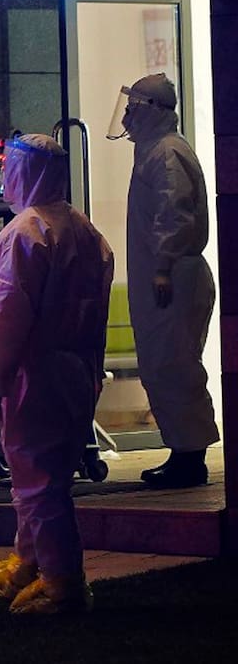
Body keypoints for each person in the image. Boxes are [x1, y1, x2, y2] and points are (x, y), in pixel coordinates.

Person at [0, 134, 114, 614]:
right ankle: (30, 561)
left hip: (34, 373)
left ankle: (61, 582)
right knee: (46, 477)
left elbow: (6, 319)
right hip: (77, 370)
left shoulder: (24, 235)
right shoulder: (86, 231)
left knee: (37, 482)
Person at [106, 73, 219, 488]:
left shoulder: (166, 154)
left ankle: (189, 457)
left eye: (133, 108)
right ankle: (183, 451)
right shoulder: (157, 151)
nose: (127, 116)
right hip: (166, 275)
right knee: (163, 365)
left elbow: (175, 214)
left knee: (174, 365)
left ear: (151, 110)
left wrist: (162, 266)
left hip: (171, 277)